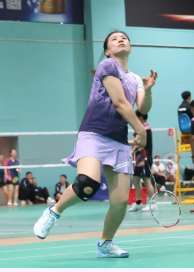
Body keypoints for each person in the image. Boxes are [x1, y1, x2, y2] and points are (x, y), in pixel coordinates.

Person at [34, 30, 157, 258]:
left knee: (120, 201)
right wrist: (140, 130)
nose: (121, 40)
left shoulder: (135, 78)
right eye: (114, 39)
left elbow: (143, 108)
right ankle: (54, 211)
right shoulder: (107, 66)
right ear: (107, 51)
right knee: (87, 184)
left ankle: (105, 244)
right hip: (94, 133)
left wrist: (147, 90)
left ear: (130, 47)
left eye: (124, 38)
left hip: (118, 140)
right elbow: (120, 103)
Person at [128, 111, 156, 211]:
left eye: (136, 117)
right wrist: (133, 151)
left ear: (140, 117)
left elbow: (137, 142)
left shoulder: (145, 129)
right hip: (139, 158)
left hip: (145, 159)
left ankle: (153, 204)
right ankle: (138, 202)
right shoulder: (142, 129)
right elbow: (138, 144)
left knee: (146, 180)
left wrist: (123, 142)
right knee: (135, 179)